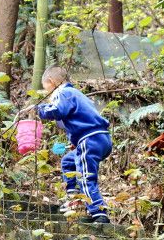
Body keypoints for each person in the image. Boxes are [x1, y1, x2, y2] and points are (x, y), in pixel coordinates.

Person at [36, 67, 113, 224]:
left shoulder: (64, 93)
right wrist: (76, 142)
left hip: (90, 139)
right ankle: (74, 194)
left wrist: (39, 109)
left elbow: (57, 110)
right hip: (98, 139)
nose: (49, 95)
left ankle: (99, 213)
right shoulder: (76, 95)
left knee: (86, 176)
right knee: (68, 161)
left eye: (47, 90)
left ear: (52, 82)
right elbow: (82, 118)